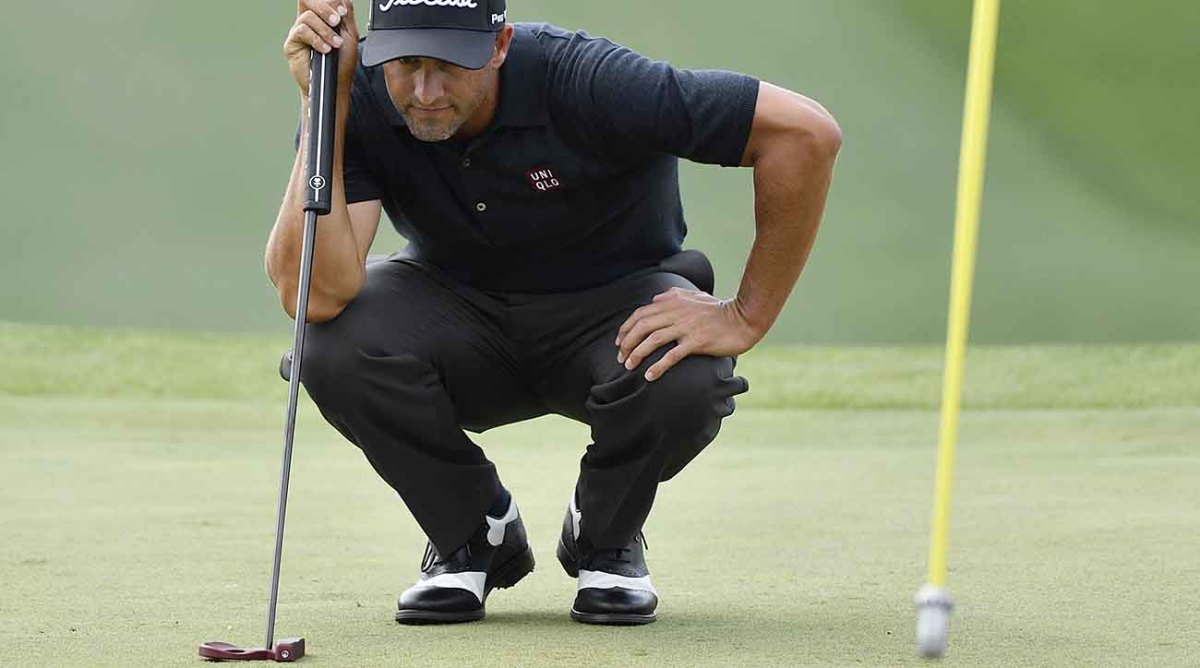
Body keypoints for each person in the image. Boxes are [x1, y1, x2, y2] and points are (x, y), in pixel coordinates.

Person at [267, 0, 840, 626]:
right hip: (454, 309)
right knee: (328, 345)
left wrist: (745, 315)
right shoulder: (361, 93)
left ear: (501, 44)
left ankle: (606, 535)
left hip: (614, 311)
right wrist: (324, 103)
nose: (425, 91)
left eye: (451, 65)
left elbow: (804, 134)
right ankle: (472, 535)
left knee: (687, 375)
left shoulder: (589, 80)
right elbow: (313, 292)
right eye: (405, 64)